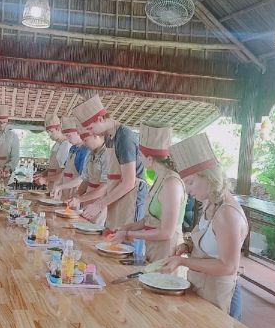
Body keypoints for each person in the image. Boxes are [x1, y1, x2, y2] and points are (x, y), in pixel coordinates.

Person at [159, 133, 248, 316]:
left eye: (190, 182)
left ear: (208, 177)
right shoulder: (210, 202)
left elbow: (228, 266)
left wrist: (183, 261)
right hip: (201, 289)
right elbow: (209, 243)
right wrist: (187, 245)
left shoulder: (228, 214)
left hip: (219, 296)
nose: (188, 190)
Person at [109, 124, 187, 262]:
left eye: (139, 154)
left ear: (150, 159)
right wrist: (126, 228)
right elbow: (149, 219)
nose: (138, 157)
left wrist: (130, 234)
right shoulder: (159, 178)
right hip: (154, 248)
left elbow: (166, 232)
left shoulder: (172, 184)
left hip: (168, 251)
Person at [72, 94, 147, 230]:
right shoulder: (108, 137)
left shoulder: (124, 137)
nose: (91, 133)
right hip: (116, 195)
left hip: (131, 196)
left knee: (127, 243)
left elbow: (129, 181)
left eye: (90, 128)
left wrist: (99, 204)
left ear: (100, 119)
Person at [65, 124, 108, 225]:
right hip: (87, 199)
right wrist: (76, 195)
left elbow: (104, 188)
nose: (84, 144)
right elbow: (85, 179)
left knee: (95, 233)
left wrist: (79, 199)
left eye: (85, 140)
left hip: (100, 203)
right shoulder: (90, 154)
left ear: (95, 136)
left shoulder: (107, 154)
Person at [51, 117, 89, 200]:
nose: (67, 139)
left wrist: (60, 187)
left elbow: (82, 178)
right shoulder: (72, 148)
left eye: (69, 136)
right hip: (65, 190)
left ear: (78, 132)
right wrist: (58, 183)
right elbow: (65, 170)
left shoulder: (85, 151)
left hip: (75, 192)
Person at [33, 113, 70, 192]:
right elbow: (53, 168)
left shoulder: (66, 145)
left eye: (51, 131)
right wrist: (43, 174)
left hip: (59, 187)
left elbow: (64, 173)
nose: (49, 135)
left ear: (58, 128)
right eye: (47, 132)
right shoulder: (56, 145)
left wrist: (45, 179)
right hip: (51, 186)